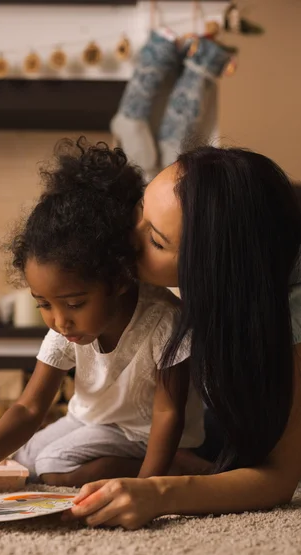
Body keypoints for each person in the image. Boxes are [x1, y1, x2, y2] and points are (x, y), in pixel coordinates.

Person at [0, 139, 205, 488]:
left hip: (145, 432)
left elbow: (167, 414)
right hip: (91, 420)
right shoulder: (65, 328)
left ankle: (177, 464)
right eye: (44, 304)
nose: (59, 320)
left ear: (119, 280)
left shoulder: (163, 322)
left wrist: (148, 486)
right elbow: (29, 408)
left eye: (74, 304)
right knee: (24, 460)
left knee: (52, 465)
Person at [66, 145, 301, 529]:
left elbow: (279, 477)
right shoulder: (221, 295)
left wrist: (159, 492)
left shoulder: (290, 313)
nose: (129, 239)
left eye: (157, 242)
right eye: (140, 210)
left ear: (216, 265)